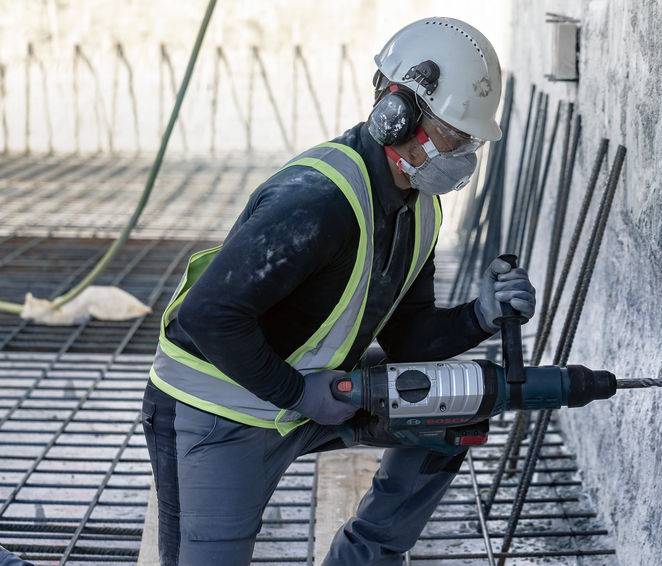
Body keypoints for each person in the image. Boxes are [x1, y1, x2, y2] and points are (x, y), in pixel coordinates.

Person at [142, 17, 536, 566]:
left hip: (310, 395)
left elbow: (408, 340)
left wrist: (480, 316)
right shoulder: (317, 201)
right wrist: (298, 394)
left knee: (458, 406)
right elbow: (209, 316)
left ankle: (364, 557)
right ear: (396, 112)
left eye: (471, 140)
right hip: (216, 412)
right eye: (454, 134)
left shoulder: (419, 207)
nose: (463, 153)